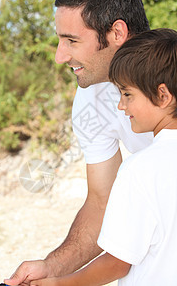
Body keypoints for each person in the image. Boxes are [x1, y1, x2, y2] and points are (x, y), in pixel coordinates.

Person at [4, 0, 153, 284]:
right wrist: (53, 267)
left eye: (71, 40)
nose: (60, 57)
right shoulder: (91, 97)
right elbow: (102, 202)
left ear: (117, 33)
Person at [28, 28, 177, 286]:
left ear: (162, 95)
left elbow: (117, 262)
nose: (121, 105)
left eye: (127, 94)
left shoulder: (138, 170)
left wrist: (59, 283)